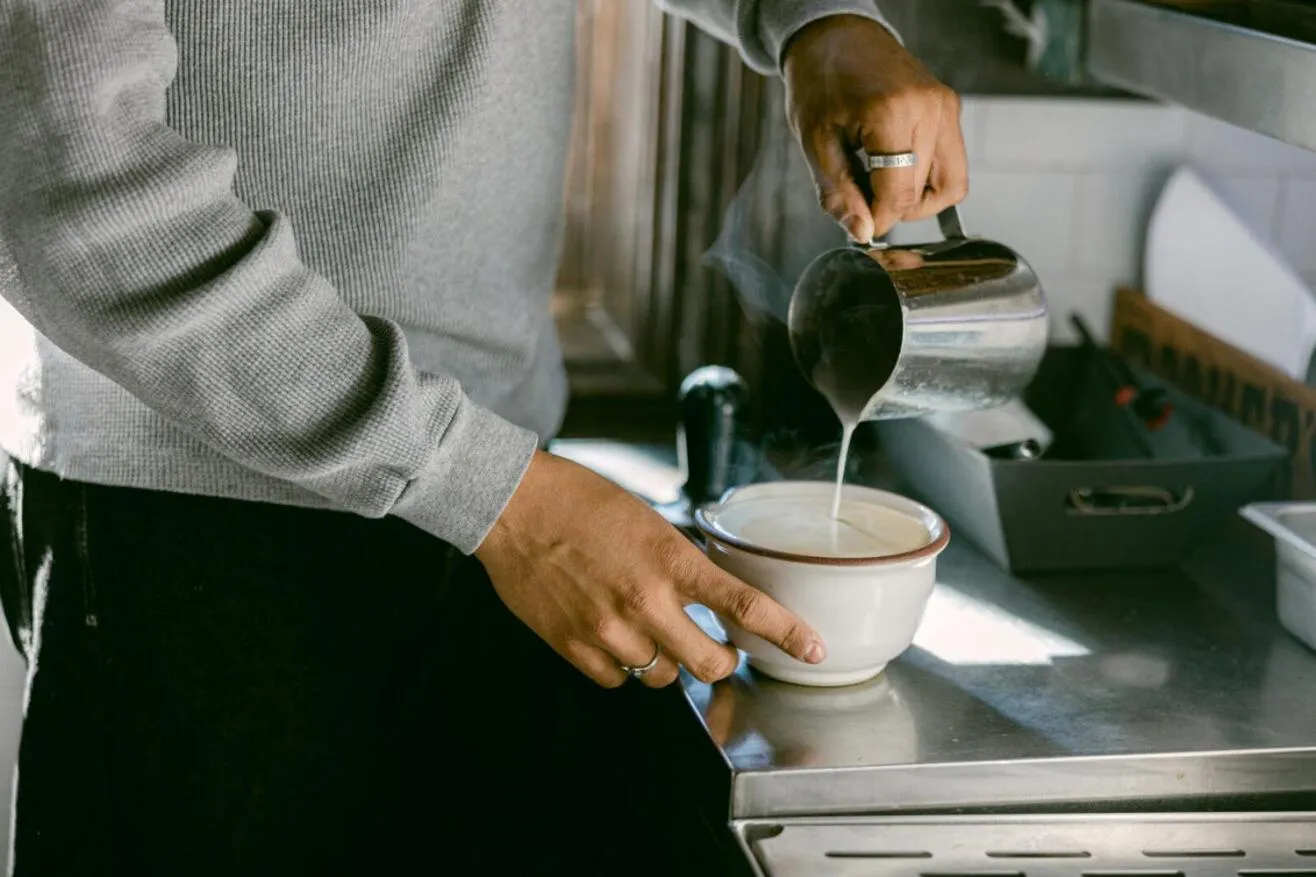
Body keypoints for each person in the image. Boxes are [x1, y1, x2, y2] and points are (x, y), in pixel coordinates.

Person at [0, 1, 968, 873]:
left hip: (493, 486)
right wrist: (489, 490)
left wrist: (815, 22)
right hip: (192, 514)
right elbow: (68, 170)